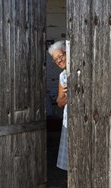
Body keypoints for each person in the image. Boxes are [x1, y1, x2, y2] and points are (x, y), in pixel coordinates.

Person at [48, 40, 68, 171]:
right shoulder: (62, 76)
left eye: (61, 56)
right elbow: (60, 103)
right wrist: (66, 95)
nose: (59, 60)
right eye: (56, 59)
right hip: (69, 119)